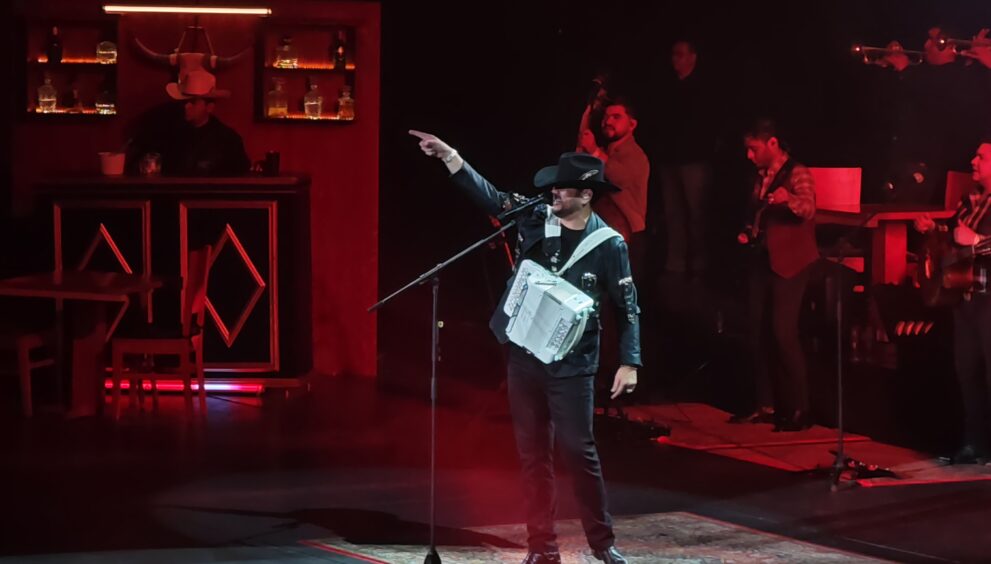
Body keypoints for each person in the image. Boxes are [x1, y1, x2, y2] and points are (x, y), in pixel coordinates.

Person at [410, 130, 641, 564]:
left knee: (579, 453)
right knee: (533, 456)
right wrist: (451, 157)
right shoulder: (535, 218)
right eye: (554, 187)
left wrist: (629, 361)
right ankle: (542, 547)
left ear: (586, 195)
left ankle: (602, 543)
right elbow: (491, 197)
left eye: (563, 188)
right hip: (525, 359)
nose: (554, 193)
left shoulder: (609, 245)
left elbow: (628, 308)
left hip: (573, 365)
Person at [731, 119, 818, 432]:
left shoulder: (798, 172)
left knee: (783, 332)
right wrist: (749, 232)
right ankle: (765, 404)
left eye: (753, 149)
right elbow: (757, 213)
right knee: (758, 331)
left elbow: (809, 208)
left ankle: (800, 408)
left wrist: (788, 199)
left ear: (772, 143)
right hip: (764, 259)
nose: (749, 156)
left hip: (791, 261)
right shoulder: (759, 176)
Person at [914, 139, 991, 465]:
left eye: (981, 157)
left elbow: (970, 241)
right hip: (966, 298)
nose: (973, 161)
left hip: (989, 298)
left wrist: (977, 242)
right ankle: (975, 443)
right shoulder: (970, 200)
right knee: (968, 374)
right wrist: (935, 229)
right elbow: (955, 235)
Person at [654, 40, 719, 277]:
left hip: (694, 159)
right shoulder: (668, 87)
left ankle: (700, 263)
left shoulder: (704, 88)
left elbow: (708, 125)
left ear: (693, 57)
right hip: (670, 159)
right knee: (673, 213)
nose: (675, 59)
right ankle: (676, 262)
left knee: (696, 214)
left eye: (680, 54)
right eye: (674, 54)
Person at [131, 69, 250, 176]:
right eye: (184, 101)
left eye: (193, 102)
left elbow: (239, 174)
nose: (186, 106)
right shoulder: (168, 133)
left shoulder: (228, 139)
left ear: (209, 107)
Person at [578, 98, 650, 247]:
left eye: (616, 117)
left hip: (628, 233)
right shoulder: (607, 151)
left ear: (632, 124)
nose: (608, 121)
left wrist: (594, 151)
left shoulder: (635, 154)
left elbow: (619, 179)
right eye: (606, 117)